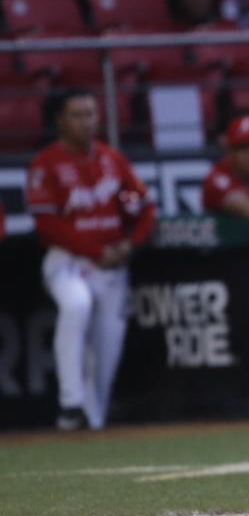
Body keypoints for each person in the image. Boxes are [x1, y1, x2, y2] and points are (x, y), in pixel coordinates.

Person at [26, 90, 154, 431]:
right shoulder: (46, 164)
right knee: (77, 306)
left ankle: (91, 420)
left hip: (113, 264)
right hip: (68, 261)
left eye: (91, 114)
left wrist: (129, 245)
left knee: (107, 345)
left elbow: (145, 208)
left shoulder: (112, 160)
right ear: (61, 121)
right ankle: (71, 404)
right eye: (77, 114)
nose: (86, 122)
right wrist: (97, 251)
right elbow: (48, 226)